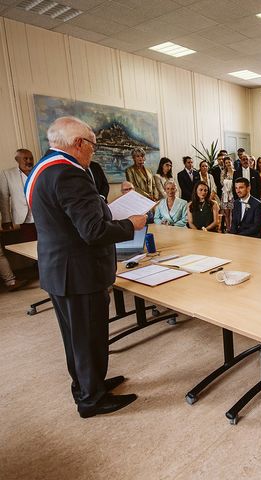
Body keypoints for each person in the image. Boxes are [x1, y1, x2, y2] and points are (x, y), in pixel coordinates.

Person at [26, 116, 146, 417]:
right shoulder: (70, 174)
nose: (93, 152)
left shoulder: (41, 169)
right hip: (79, 273)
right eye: (92, 145)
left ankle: (89, 385)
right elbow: (93, 232)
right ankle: (92, 400)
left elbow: (64, 219)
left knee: (76, 337)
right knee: (88, 337)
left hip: (59, 269)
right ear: (78, 143)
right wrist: (129, 225)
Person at [1, 148, 37, 242]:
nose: (29, 161)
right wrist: (6, 220)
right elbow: (4, 199)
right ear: (17, 160)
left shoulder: (39, 171)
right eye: (25, 158)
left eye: (31, 158)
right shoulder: (7, 174)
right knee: (29, 245)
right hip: (23, 219)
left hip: (42, 217)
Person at [220, 156, 235, 232]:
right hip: (225, 195)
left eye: (229, 162)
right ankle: (228, 229)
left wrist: (228, 181)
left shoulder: (235, 171)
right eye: (226, 163)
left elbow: (236, 183)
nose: (228, 164)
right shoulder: (223, 172)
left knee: (232, 213)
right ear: (224, 164)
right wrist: (229, 182)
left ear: (231, 162)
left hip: (232, 195)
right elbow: (222, 182)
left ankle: (232, 228)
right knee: (227, 213)